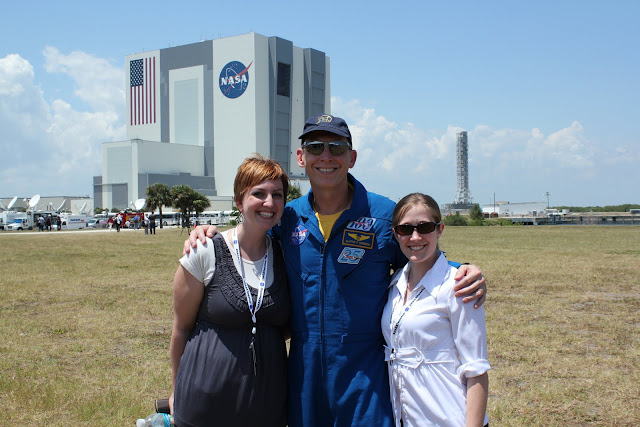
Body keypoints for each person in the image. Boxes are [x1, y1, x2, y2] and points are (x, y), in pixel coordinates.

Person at [186, 114, 486, 426]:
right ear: (301, 157)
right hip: (304, 376)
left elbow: (421, 256)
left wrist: (460, 270)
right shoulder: (287, 218)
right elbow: (249, 237)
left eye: (337, 148)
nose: (326, 156)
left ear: (352, 157)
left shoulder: (383, 215)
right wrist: (210, 233)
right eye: (315, 147)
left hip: (365, 377)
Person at [170, 155, 290, 427]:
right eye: (258, 194)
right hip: (203, 407)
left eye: (277, 195)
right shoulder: (204, 252)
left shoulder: (287, 256)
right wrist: (176, 390)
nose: (269, 203)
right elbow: (180, 329)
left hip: (266, 409)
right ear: (239, 201)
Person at [382, 193, 489, 426]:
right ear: (395, 234)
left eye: (425, 227)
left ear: (440, 229)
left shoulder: (459, 286)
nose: (415, 237)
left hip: (450, 418)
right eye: (405, 229)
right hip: (407, 418)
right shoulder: (394, 285)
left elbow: (477, 370)